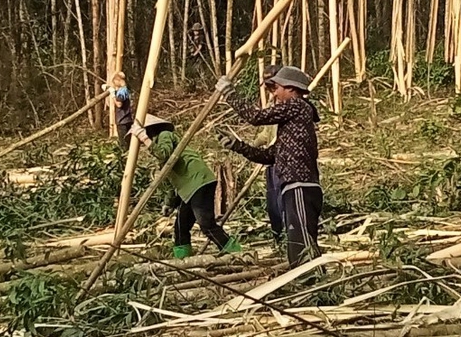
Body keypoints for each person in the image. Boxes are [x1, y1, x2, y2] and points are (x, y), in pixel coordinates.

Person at [216, 64, 321, 267]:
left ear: (290, 88)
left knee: (302, 242)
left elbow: (256, 117)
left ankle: (312, 282)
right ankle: (306, 280)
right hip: (294, 186)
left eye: (277, 88)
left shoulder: (297, 105)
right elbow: (269, 155)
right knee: (297, 241)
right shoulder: (292, 125)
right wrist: (237, 146)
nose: (275, 95)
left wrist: (228, 93)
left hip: (300, 184)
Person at [116, 91, 241, 258]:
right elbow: (170, 180)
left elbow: (165, 153)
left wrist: (144, 138)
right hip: (188, 187)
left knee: (206, 223)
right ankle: (182, 258)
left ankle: (234, 252)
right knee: (181, 225)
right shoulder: (159, 146)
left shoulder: (164, 136)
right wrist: (169, 203)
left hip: (198, 182)